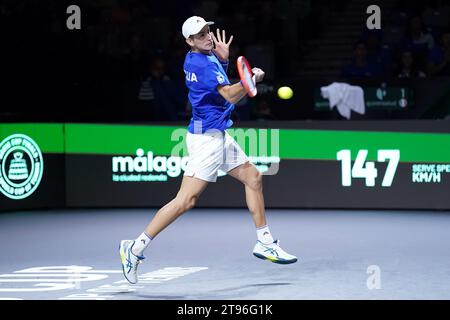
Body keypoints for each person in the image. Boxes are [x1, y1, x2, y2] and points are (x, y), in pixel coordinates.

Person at [119, 16, 297, 284]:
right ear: (189, 41)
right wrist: (251, 79)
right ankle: (134, 249)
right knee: (185, 201)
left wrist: (225, 61)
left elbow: (219, 89)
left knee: (253, 177)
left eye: (208, 31)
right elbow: (228, 95)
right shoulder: (201, 63)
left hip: (217, 134)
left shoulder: (200, 57)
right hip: (207, 141)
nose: (208, 37)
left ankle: (264, 241)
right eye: (200, 35)